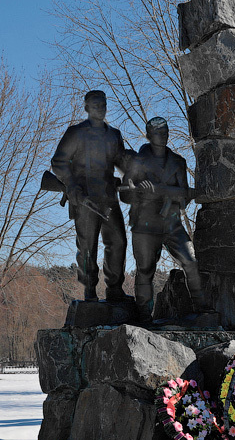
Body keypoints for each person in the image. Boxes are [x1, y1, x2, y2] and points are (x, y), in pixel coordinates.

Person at [121, 117, 209, 321]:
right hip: (145, 224)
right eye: (160, 133)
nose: (165, 135)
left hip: (171, 223)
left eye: (166, 131)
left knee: (191, 262)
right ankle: (144, 314)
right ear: (149, 135)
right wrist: (141, 193)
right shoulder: (138, 161)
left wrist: (167, 195)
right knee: (145, 269)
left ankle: (202, 310)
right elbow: (124, 194)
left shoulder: (178, 162)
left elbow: (184, 196)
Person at [50, 90, 130, 301]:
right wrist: (72, 185)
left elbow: (122, 163)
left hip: (108, 196)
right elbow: (58, 162)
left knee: (118, 241)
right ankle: (89, 290)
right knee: (87, 247)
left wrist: (135, 174)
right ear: (86, 108)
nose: (100, 108)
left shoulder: (114, 135)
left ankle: (114, 289)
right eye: (95, 105)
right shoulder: (76, 133)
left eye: (103, 104)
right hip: (85, 197)